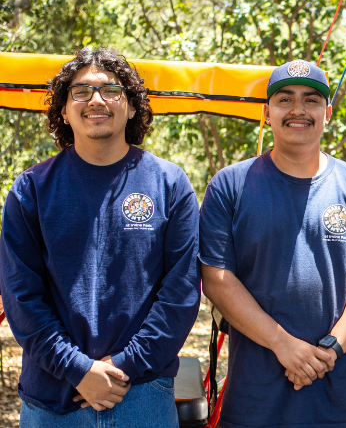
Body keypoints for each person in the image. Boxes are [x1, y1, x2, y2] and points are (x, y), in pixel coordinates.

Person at [1, 47, 201, 426]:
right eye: (80, 91)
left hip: (142, 394)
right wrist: (76, 368)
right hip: (54, 398)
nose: (96, 99)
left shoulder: (169, 184)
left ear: (131, 106)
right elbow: (20, 296)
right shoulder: (31, 190)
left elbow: (182, 293)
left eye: (111, 90)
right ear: (63, 109)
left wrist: (125, 365)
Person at [198, 60, 346, 428]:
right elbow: (216, 278)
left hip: (341, 388)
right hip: (256, 392)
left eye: (311, 100)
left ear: (328, 112)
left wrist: (329, 349)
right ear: (267, 113)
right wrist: (282, 344)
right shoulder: (230, 185)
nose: (298, 110)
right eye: (285, 100)